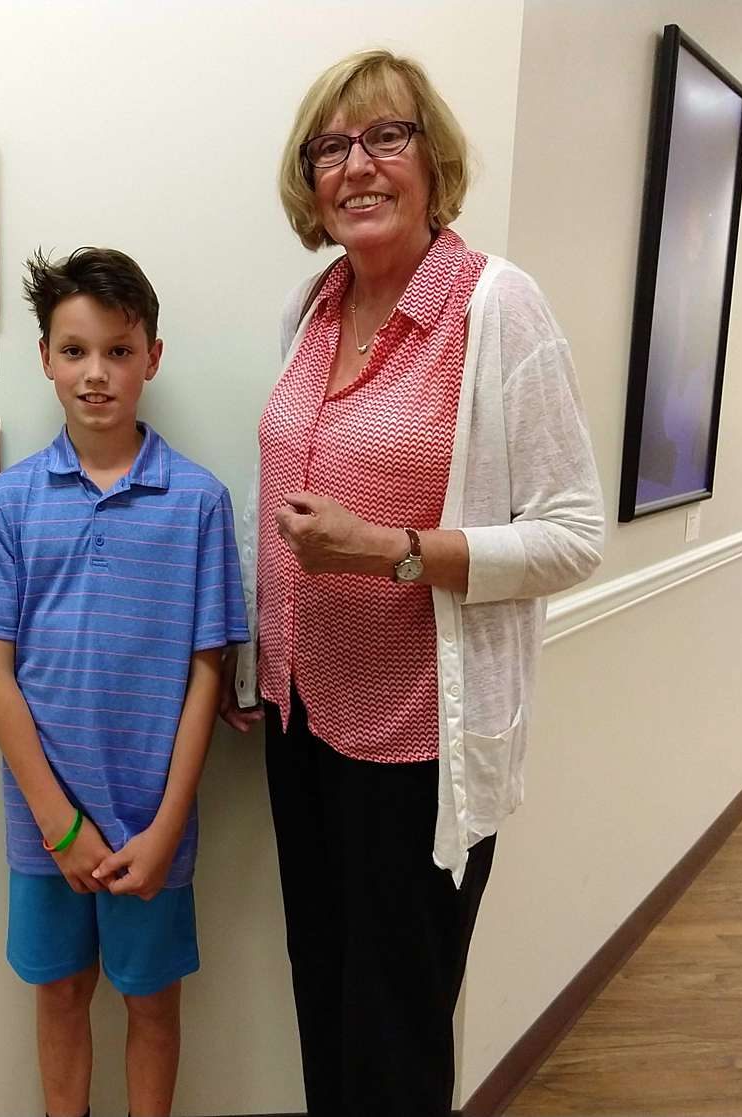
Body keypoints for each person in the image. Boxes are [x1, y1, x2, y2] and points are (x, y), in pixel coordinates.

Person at [219, 50, 605, 1115]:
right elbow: (282, 498)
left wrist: (396, 547)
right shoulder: (313, 303)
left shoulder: (496, 309)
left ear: (430, 158)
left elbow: (573, 536)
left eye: (384, 137)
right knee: (323, 997)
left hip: (416, 747)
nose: (356, 165)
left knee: (391, 1032)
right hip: (302, 724)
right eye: (330, 146)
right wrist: (259, 660)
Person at [0, 247, 249, 1117]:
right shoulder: (12, 500)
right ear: (45, 357)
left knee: (151, 1002)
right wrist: (58, 822)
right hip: (44, 822)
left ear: (152, 358)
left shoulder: (199, 500)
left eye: (119, 351)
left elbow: (211, 670)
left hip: (150, 824)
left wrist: (164, 827)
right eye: (76, 350)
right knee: (58, 993)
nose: (97, 373)